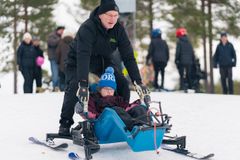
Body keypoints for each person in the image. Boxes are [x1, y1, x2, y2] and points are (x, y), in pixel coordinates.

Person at [58, 0, 149, 136]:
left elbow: (128, 57)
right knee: (75, 85)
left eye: (115, 15)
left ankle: (120, 118)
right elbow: (83, 55)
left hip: (102, 61)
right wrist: (83, 84)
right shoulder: (88, 28)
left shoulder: (118, 29)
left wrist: (138, 82)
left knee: (122, 83)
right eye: (109, 15)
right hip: (78, 61)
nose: (112, 19)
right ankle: (64, 124)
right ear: (100, 15)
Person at [87, 67, 148, 131]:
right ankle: (134, 128)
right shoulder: (94, 99)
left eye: (111, 89)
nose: (109, 91)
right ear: (100, 89)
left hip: (121, 123)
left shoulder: (118, 99)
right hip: (104, 124)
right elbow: (90, 113)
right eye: (106, 89)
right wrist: (82, 109)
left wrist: (139, 103)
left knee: (139, 108)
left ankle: (146, 128)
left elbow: (127, 108)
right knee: (115, 110)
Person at [47, 26, 65, 92]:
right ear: (58, 30)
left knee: (60, 74)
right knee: (55, 74)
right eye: (61, 30)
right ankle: (55, 87)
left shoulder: (61, 37)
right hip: (53, 58)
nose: (62, 32)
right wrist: (60, 39)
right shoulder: (52, 36)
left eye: (63, 31)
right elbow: (52, 43)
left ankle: (59, 87)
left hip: (60, 59)